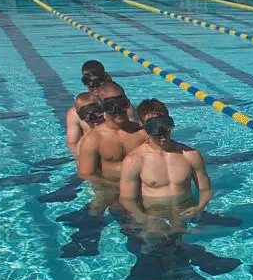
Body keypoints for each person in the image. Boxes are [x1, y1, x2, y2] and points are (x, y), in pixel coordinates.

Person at [119, 99, 213, 241]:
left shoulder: (191, 155)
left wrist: (199, 208)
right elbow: (127, 200)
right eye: (153, 126)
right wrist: (146, 219)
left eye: (164, 123)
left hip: (186, 214)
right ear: (141, 125)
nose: (161, 131)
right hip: (154, 218)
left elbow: (205, 189)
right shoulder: (135, 160)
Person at [77, 81, 147, 212]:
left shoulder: (142, 133)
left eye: (121, 105)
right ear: (102, 107)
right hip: (110, 192)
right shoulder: (93, 139)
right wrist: (117, 186)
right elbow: (86, 174)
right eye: (110, 106)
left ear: (127, 103)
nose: (117, 111)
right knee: (94, 213)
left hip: (140, 190)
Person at [65, 61, 113, 154]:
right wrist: (85, 158)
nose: (93, 83)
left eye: (97, 79)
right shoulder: (74, 113)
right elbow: (72, 143)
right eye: (88, 79)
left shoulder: (117, 108)